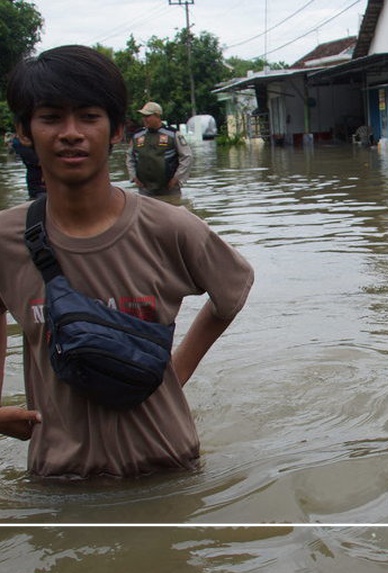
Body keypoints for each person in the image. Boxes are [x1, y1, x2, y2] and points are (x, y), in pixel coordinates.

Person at [0, 45, 254, 479]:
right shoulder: (4, 240)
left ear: (116, 130)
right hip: (59, 476)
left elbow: (231, 293)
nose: (71, 133)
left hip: (167, 468)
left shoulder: (171, 228)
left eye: (89, 116)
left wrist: (175, 372)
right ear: (24, 131)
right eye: (50, 118)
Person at [126, 101, 193, 195]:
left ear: (157, 116)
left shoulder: (173, 134)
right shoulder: (137, 136)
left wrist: (177, 178)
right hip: (145, 189)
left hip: (169, 188)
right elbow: (130, 157)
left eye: (147, 116)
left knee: (173, 208)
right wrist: (133, 176)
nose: (144, 119)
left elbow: (187, 157)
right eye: (143, 116)